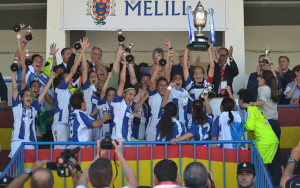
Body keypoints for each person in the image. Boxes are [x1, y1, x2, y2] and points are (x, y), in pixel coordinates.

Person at [9, 36, 56, 158]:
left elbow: (44, 93)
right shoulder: (17, 107)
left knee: (29, 171)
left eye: (30, 95)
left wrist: (51, 78)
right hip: (17, 142)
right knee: (17, 170)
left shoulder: (34, 108)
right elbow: (15, 87)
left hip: (31, 143)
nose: (29, 97)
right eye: (27, 95)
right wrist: (13, 73)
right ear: (21, 98)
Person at [237, 89, 280, 186]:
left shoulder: (250, 109)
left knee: (257, 168)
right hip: (271, 140)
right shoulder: (255, 108)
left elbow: (249, 126)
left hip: (264, 141)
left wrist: (239, 128)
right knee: (265, 168)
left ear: (242, 100)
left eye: (239, 99)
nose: (238, 102)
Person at [52, 38, 88, 148]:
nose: (71, 79)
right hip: (60, 124)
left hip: (67, 124)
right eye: (68, 78)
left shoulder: (68, 92)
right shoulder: (60, 88)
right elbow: (72, 71)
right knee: (60, 151)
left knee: (66, 151)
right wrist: (82, 51)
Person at [183, 45, 214, 118]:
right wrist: (186, 51)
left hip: (204, 113)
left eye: (200, 73)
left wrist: (209, 51)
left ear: (203, 75)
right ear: (193, 76)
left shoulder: (207, 84)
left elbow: (212, 67)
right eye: (196, 73)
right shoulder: (189, 84)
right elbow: (185, 67)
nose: (198, 75)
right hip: (191, 115)